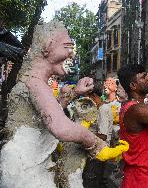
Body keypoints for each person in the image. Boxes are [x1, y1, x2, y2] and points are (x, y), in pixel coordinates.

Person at [0, 21, 128, 188]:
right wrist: (97, 146)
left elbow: (45, 113)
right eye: (67, 46)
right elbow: (60, 127)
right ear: (48, 46)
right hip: (25, 168)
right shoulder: (35, 83)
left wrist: (75, 93)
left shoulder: (32, 81)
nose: (72, 55)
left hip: (25, 164)